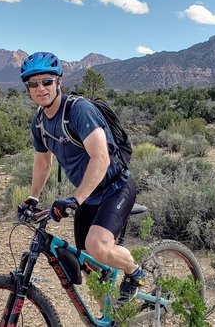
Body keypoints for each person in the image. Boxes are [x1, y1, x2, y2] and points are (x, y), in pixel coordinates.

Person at [18, 51, 143, 304]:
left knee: (98, 246)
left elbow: (101, 158)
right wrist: (32, 198)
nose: (40, 88)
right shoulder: (40, 123)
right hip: (88, 196)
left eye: (47, 82)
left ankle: (135, 273)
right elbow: (43, 161)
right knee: (90, 267)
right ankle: (113, 318)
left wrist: (75, 198)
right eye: (33, 83)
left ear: (59, 82)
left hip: (116, 187)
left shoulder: (78, 110)